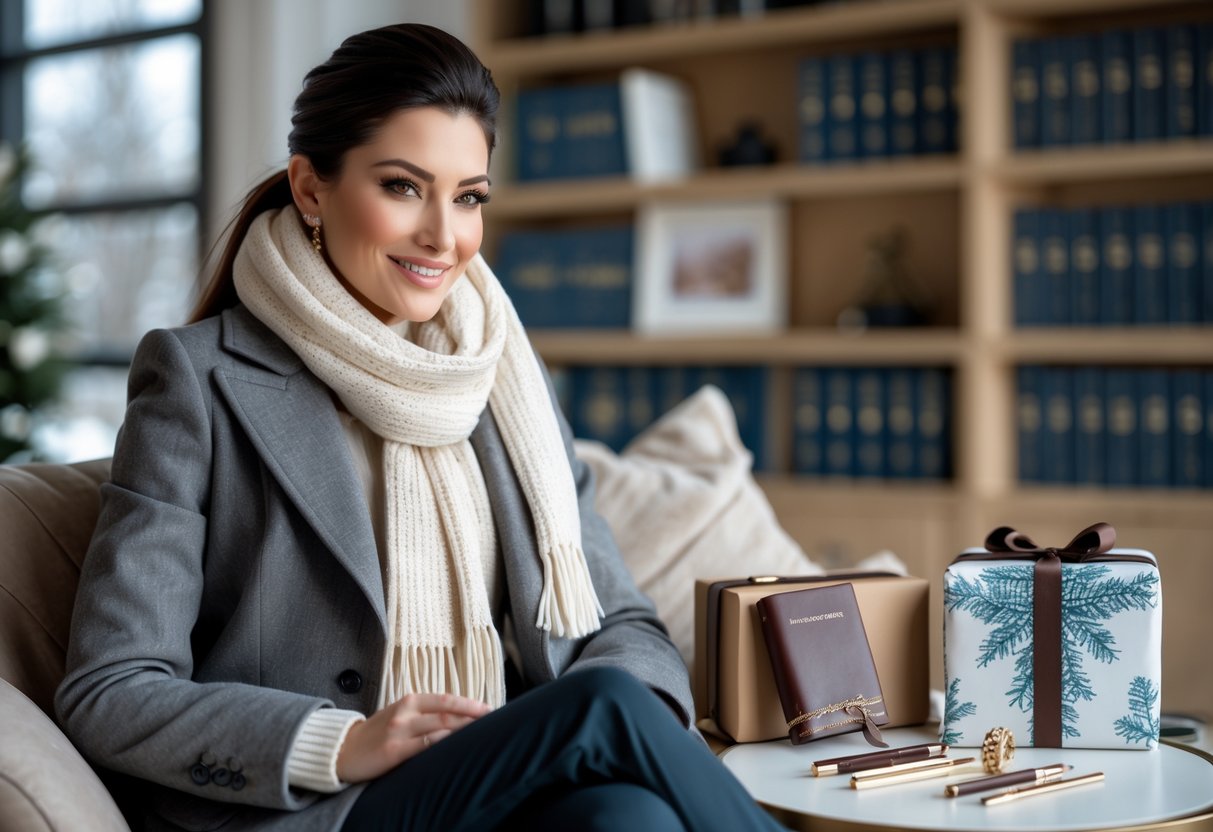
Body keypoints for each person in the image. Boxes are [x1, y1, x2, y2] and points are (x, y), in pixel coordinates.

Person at [55, 22, 784, 832]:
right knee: (603, 707)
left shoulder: (499, 375)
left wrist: (639, 728)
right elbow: (110, 689)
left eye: (468, 196)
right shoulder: (196, 381)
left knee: (627, 814)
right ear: (309, 189)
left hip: (491, 776)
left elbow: (620, 621)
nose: (446, 236)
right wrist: (340, 743)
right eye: (403, 187)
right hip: (321, 807)